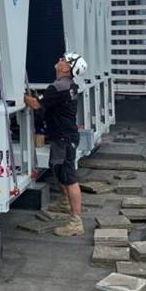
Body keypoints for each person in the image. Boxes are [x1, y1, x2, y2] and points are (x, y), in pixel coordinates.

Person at [24, 52, 87, 237]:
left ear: (67, 68)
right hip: (64, 137)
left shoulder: (58, 87)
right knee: (58, 169)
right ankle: (65, 203)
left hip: (63, 139)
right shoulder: (68, 85)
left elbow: (36, 105)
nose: (60, 60)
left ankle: (76, 222)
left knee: (69, 177)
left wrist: (17, 95)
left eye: (64, 60)